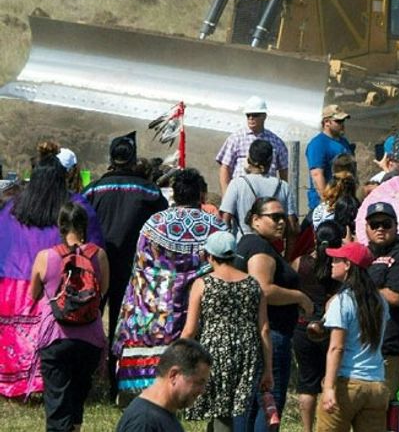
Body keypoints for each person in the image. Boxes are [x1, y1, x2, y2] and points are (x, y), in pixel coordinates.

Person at [0, 143, 104, 398]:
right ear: (62, 177)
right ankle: (43, 380)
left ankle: (14, 378)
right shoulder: (75, 205)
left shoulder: (12, 208)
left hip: (11, 288)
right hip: (57, 286)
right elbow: (93, 248)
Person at [113, 169, 225, 395]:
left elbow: (141, 269)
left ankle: (148, 388)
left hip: (157, 307)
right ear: (201, 195)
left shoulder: (154, 223)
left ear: (174, 194)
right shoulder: (215, 226)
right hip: (198, 308)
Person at [83, 131, 169, 385]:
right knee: (124, 325)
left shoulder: (93, 190)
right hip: (133, 269)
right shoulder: (149, 192)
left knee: (90, 317)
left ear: (111, 159)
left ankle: (87, 376)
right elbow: (162, 224)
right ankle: (118, 379)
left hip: (96, 266)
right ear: (133, 159)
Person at [30, 201, 110, 432]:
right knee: (77, 400)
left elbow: (34, 294)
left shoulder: (45, 256)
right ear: (84, 225)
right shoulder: (99, 255)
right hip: (89, 338)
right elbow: (102, 292)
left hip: (55, 338)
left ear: (60, 225)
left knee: (57, 401)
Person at [180, 231, 273, 431]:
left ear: (210, 256)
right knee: (231, 410)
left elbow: (190, 329)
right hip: (248, 353)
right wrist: (268, 369)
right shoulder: (253, 284)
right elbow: (264, 329)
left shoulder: (203, 283)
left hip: (213, 352)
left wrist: (176, 357)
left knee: (221, 411)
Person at [238, 197, 313, 431]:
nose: (281, 222)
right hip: (270, 335)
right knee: (269, 402)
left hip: (254, 334)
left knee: (249, 403)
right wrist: (300, 297)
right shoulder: (260, 248)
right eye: (275, 217)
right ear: (255, 220)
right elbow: (263, 289)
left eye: (283, 217)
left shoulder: (249, 244)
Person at [316, 242, 388, 431]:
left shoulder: (343, 301)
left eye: (336, 260)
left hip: (347, 383)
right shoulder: (380, 301)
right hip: (376, 384)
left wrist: (329, 387)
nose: (332, 264)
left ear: (348, 264)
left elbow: (336, 348)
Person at [364, 202, 399, 403]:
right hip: (367, 342)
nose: (380, 229)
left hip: (392, 343)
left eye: (386, 224)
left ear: (396, 226)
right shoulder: (367, 254)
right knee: (368, 407)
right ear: (367, 228)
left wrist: (362, 290)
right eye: (375, 224)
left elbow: (396, 297)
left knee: (383, 405)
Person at [293, 221, 344, 432]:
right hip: (330, 327)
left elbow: (291, 283)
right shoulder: (339, 267)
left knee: (307, 383)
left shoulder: (300, 263)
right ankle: (328, 427)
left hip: (303, 326)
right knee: (329, 381)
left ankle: (307, 429)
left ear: (315, 237)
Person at [116, 339, 213, 432]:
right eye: (199, 382)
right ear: (174, 375)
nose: (202, 391)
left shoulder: (165, 414)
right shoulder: (143, 423)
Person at [220, 139, 298, 238]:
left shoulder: (237, 184)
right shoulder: (283, 186)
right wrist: (288, 248)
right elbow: (291, 225)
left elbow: (225, 219)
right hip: (274, 245)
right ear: (270, 161)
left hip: (244, 242)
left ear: (249, 158)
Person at [216, 96, 289, 194]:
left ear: (264, 116)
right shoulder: (236, 138)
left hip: (267, 195)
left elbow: (284, 170)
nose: (251, 118)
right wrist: (226, 194)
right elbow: (225, 168)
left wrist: (283, 195)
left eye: (255, 115)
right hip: (241, 193)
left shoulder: (276, 142)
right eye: (248, 115)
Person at [307, 105, 354, 209]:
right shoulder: (318, 144)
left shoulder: (343, 141)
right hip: (326, 203)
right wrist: (327, 203)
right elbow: (317, 174)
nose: (342, 124)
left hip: (344, 200)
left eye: (343, 121)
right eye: (338, 121)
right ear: (327, 122)